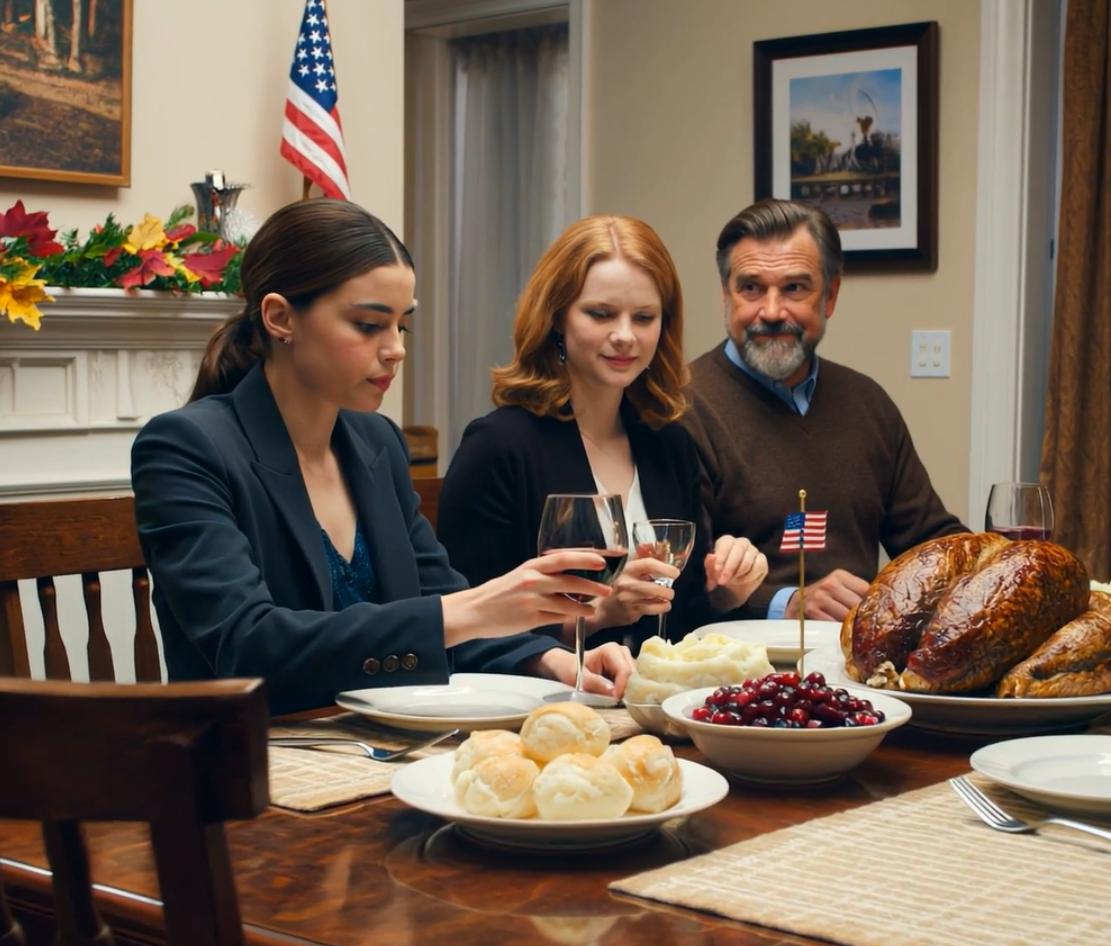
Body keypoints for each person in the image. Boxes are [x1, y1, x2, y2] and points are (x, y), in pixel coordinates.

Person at [131, 199, 635, 716]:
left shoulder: (378, 444)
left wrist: (552, 661)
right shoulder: (185, 447)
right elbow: (247, 644)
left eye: (402, 326)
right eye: (369, 326)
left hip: (380, 747)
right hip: (249, 762)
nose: (395, 349)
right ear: (281, 317)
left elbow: (442, 604)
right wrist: (464, 611)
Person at [437, 215, 768, 656]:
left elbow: (681, 622)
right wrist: (599, 613)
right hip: (544, 712)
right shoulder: (497, 447)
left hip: (655, 710)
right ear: (556, 317)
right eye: (601, 313)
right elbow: (466, 634)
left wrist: (729, 591)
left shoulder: (669, 445)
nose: (625, 336)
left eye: (644, 317)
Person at [681, 198, 967, 623]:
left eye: (795, 288)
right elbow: (681, 583)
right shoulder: (681, 407)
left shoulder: (868, 403)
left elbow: (931, 541)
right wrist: (788, 604)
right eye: (751, 288)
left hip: (858, 659)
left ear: (829, 295)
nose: (772, 311)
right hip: (738, 671)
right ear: (726, 296)